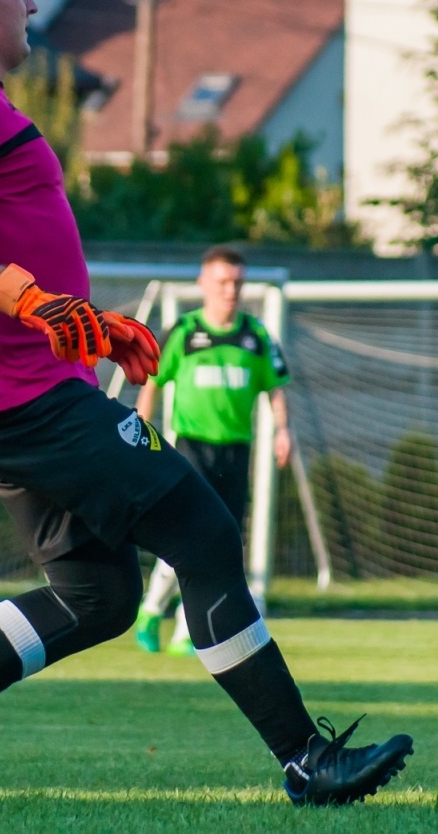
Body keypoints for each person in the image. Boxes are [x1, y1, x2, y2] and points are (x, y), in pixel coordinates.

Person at [0, 0, 413, 808]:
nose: (31, 2)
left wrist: (90, 329)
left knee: (97, 596)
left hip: (22, 391)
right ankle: (304, 761)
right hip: (21, 400)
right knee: (206, 535)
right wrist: (27, 301)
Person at [132, 246, 292, 656]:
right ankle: (151, 611)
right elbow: (151, 383)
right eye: (222, 281)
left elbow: (275, 388)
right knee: (186, 538)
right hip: (190, 449)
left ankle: (187, 631)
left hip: (236, 453)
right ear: (203, 283)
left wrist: (283, 432)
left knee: (221, 542)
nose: (230, 290)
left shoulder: (255, 337)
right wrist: (141, 432)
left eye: (237, 282)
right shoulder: (182, 333)